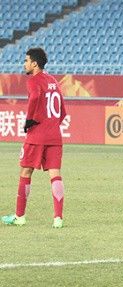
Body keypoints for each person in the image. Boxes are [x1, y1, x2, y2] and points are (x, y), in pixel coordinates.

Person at [2, 48, 66, 229]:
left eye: (26, 60)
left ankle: (19, 216)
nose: (24, 64)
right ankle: (58, 218)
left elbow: (36, 96)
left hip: (36, 135)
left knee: (25, 173)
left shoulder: (33, 81)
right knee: (55, 175)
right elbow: (63, 111)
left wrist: (30, 120)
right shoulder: (53, 81)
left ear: (35, 63)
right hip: (55, 136)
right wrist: (52, 125)